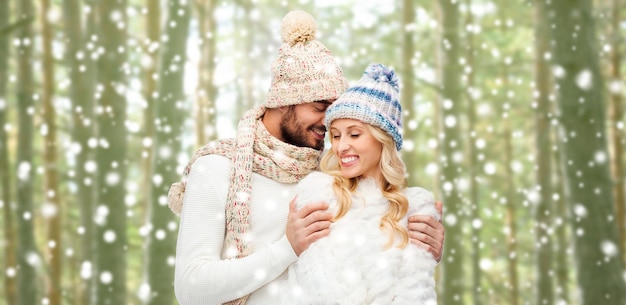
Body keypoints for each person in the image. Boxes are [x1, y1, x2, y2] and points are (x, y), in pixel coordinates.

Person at [170, 10, 444, 305]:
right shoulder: (216, 168)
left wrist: (422, 249)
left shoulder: (334, 175)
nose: (328, 123)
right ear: (282, 102)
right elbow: (191, 289)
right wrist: (287, 249)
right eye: (319, 106)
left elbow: (371, 258)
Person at [282, 63, 438, 305]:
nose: (341, 146)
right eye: (335, 135)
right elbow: (307, 290)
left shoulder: (414, 209)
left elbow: (416, 293)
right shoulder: (319, 196)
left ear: (382, 139)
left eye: (354, 134)